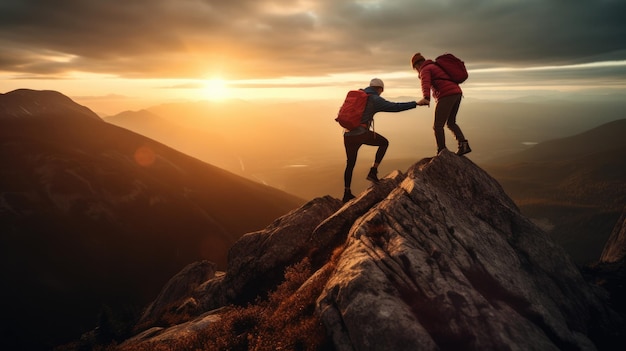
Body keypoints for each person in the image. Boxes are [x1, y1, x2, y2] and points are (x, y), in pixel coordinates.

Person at [342, 78, 417, 203]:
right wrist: (415, 103)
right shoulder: (374, 99)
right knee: (384, 143)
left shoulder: (359, 94)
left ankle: (346, 193)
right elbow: (395, 107)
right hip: (361, 133)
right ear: (380, 89)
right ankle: (373, 171)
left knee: (350, 163)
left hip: (348, 134)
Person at [411, 52, 471, 156]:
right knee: (451, 122)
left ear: (417, 65)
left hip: (446, 95)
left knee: (438, 126)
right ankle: (463, 145)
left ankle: (442, 151)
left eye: (415, 68)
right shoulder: (434, 66)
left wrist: (426, 98)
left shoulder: (425, 69)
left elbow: (425, 83)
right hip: (457, 93)